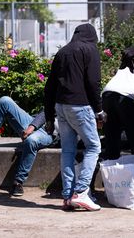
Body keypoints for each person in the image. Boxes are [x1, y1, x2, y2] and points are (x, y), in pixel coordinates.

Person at [44, 23, 106, 211]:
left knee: (68, 150)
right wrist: (99, 110)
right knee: (94, 146)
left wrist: (48, 115)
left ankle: (68, 196)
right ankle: (81, 192)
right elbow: (93, 82)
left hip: (61, 106)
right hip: (80, 106)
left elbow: (50, 86)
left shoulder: (63, 51)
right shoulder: (90, 49)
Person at [0, 96, 57, 196]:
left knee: (31, 140)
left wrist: (32, 127)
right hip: (36, 122)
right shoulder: (61, 86)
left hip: (49, 133)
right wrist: (32, 126)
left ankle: (18, 182)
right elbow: (48, 109)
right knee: (4, 101)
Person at [101, 46, 134, 159]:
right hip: (127, 98)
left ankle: (112, 167)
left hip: (107, 96)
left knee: (112, 138)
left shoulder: (122, 68)